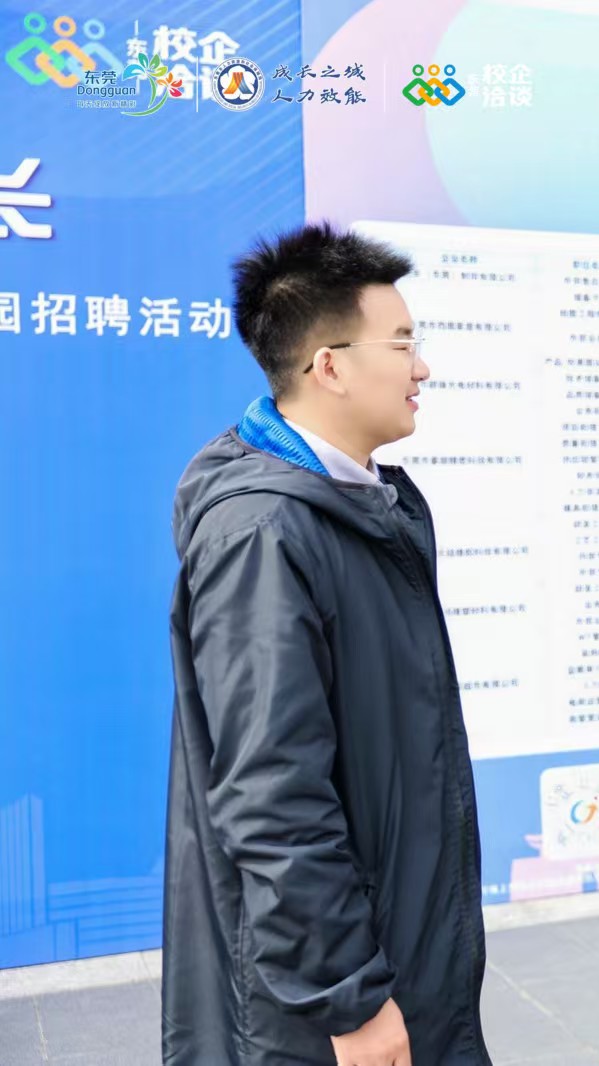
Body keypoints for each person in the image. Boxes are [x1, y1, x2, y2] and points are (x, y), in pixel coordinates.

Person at [163, 223, 489, 1065]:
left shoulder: (363, 505)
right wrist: (349, 995)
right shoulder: (264, 533)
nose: (422, 368)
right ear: (330, 367)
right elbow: (273, 792)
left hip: (401, 954)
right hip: (325, 1006)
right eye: (403, 345)